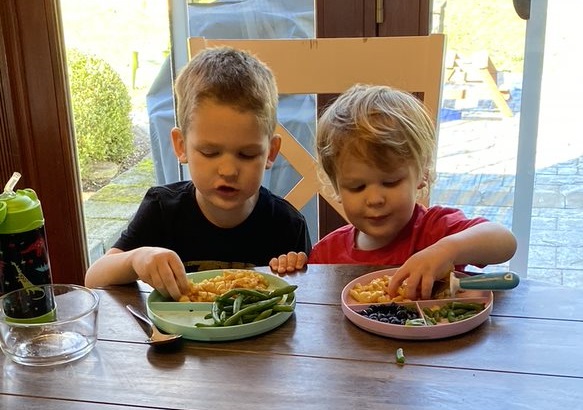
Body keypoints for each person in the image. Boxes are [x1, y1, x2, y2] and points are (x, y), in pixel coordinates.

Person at [85, 46, 311, 300]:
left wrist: (294, 269)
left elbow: (304, 302)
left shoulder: (287, 225)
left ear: (271, 152)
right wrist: (137, 258)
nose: (228, 170)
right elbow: (93, 278)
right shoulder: (162, 210)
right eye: (209, 152)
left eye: (247, 154)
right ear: (181, 147)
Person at [272, 84, 516, 300]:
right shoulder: (327, 253)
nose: (375, 199)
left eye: (390, 182)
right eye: (357, 187)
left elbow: (504, 241)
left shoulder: (435, 230)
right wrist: (296, 271)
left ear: (422, 174)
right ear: (337, 188)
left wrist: (446, 250)